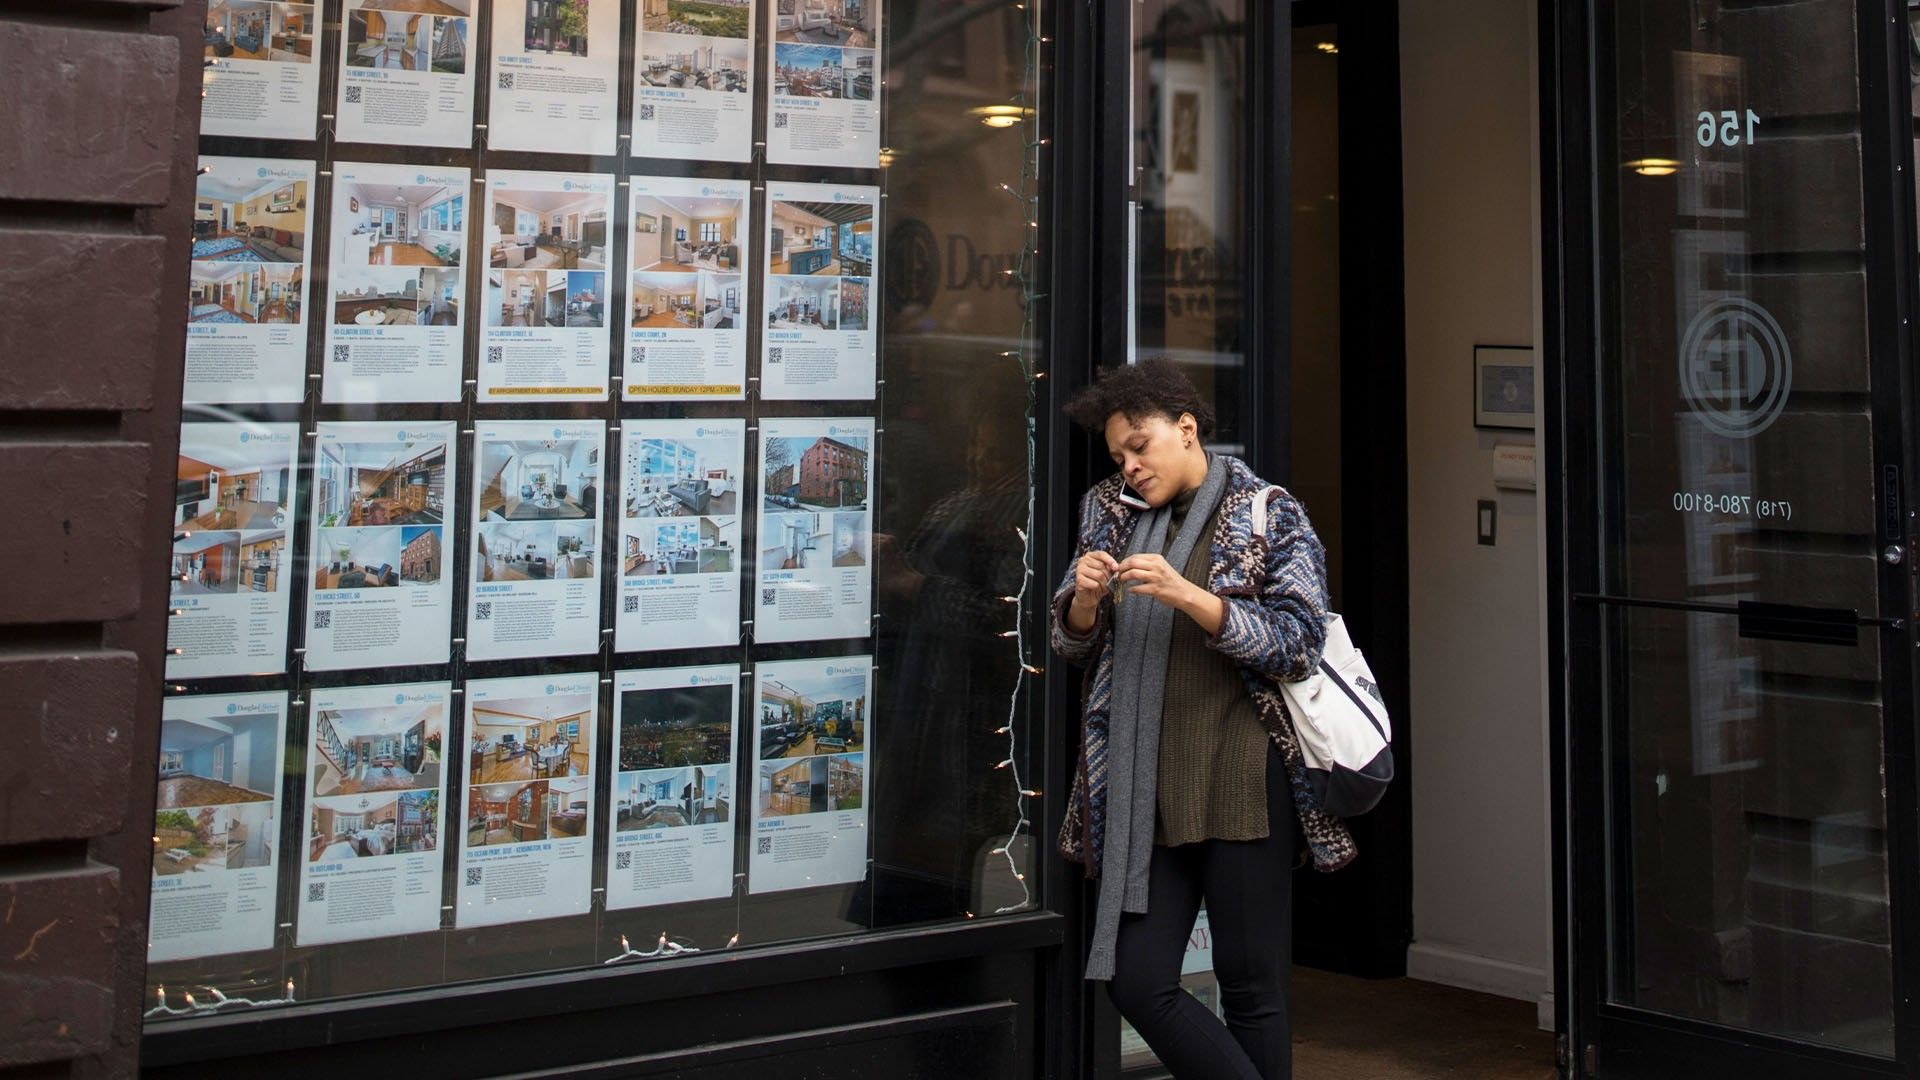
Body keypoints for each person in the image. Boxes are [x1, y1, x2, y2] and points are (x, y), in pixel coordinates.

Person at [1051, 360, 1356, 1080]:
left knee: (1252, 991)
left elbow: (1299, 643)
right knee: (1140, 981)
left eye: (1140, 448)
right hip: (1141, 786)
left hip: (1243, 781)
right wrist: (1084, 601)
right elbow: (1071, 643)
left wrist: (1193, 598)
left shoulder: (1267, 511)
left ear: (1186, 430)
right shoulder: (1107, 509)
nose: (1129, 468)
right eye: (1120, 457)